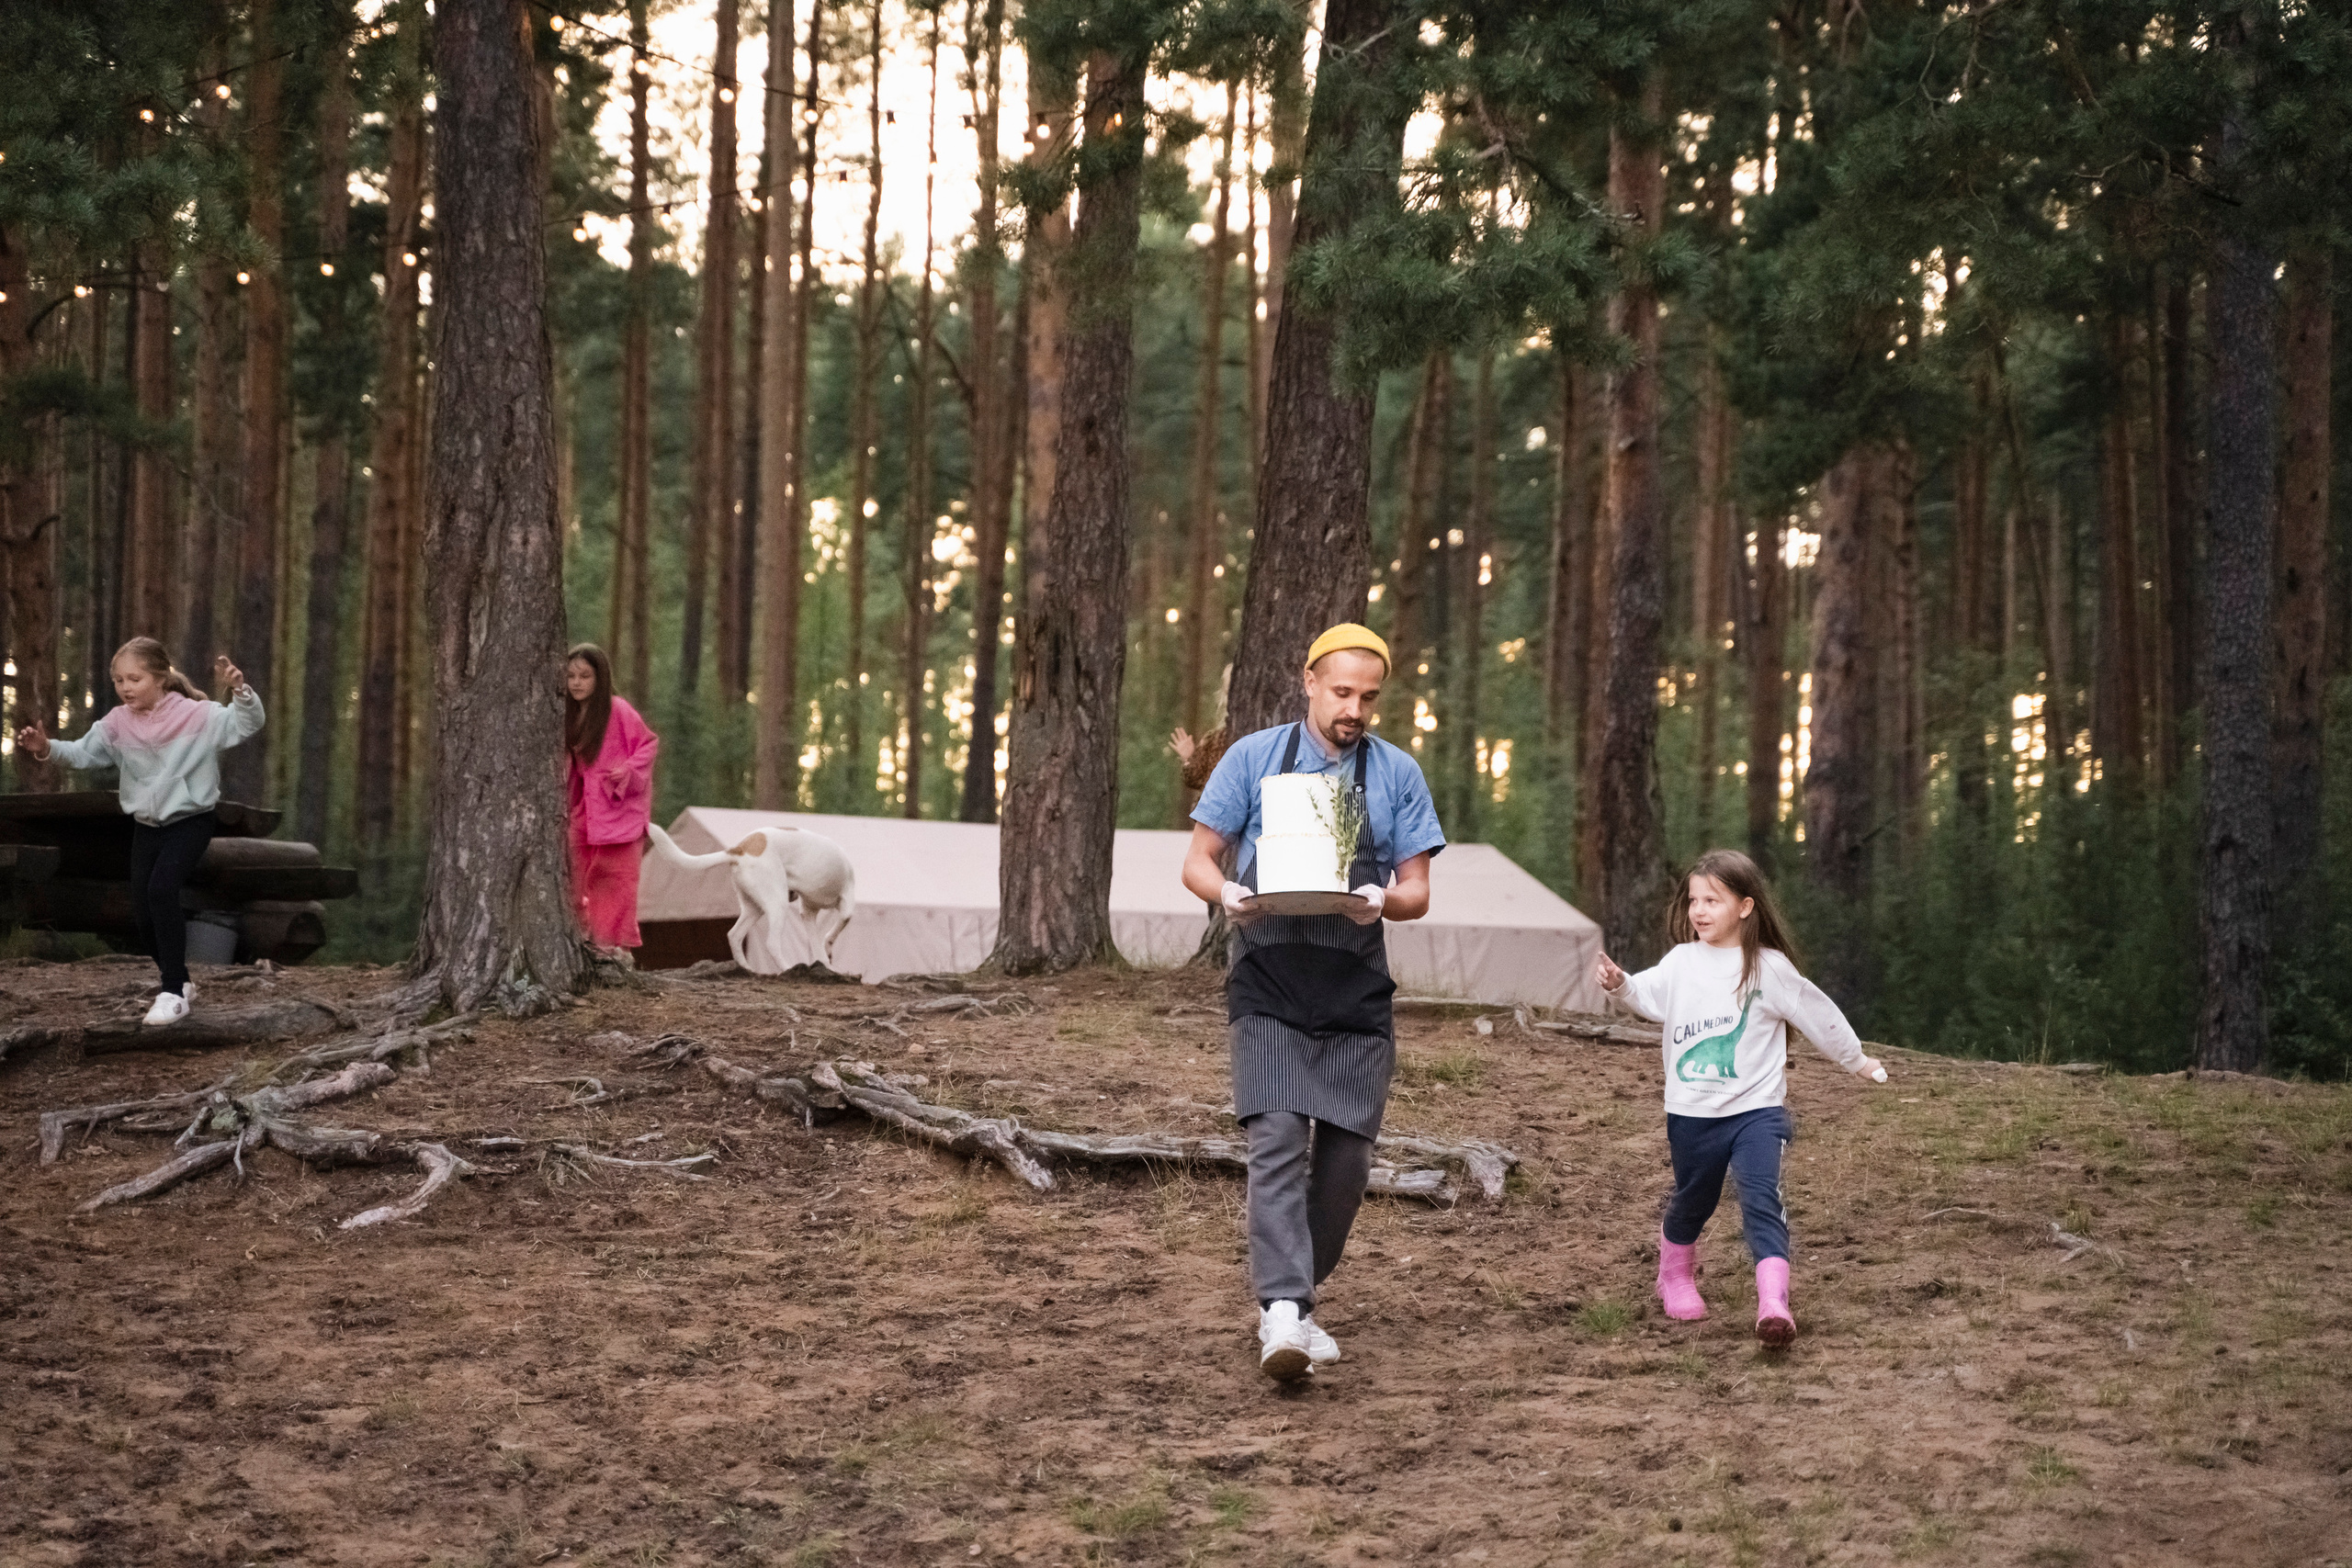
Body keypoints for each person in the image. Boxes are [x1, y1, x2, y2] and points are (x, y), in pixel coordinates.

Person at [1181, 624, 1445, 1381]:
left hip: (1356, 984)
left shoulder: (1397, 774)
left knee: (1347, 1162)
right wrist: (1228, 891)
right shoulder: (1253, 758)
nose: (1354, 708)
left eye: (1368, 697)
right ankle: (1286, 1310)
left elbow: (1419, 889)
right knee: (1273, 1138)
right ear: (1308, 681)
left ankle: (1293, 1302)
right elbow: (1199, 860)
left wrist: (1383, 902)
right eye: (1341, 692)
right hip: (1267, 976)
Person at [1595, 849, 1886, 1347]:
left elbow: (1817, 1013)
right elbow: (1649, 997)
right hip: (1691, 1113)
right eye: (1693, 900)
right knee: (1695, 1198)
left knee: (1761, 1199)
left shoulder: (1768, 967)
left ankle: (1773, 1303)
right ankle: (1675, 1276)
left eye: (1713, 900)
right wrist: (1622, 986)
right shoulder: (1682, 961)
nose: (1699, 911)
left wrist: (1856, 1060)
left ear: (1746, 907)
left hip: (1757, 1112)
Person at [14, 638, 265, 1026]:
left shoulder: (197, 716)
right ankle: (179, 980)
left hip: (190, 820)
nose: (125, 687)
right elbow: (83, 753)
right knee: (144, 913)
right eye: (118, 680)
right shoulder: (117, 723)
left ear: (161, 677)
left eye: (135, 678)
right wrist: (46, 747)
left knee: (162, 890)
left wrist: (240, 691)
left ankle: (172, 991)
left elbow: (246, 724)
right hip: (147, 826)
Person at [563, 642, 659, 957]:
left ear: (600, 678)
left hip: (619, 812)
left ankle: (613, 950)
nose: (576, 682)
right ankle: (581, 941)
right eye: (571, 676)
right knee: (573, 877)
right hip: (583, 813)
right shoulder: (568, 714)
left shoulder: (618, 709)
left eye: (585, 676)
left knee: (616, 885)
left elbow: (647, 744)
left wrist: (627, 772)